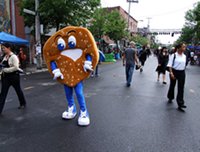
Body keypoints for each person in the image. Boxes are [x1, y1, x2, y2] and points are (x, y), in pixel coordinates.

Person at [0, 43, 26, 114]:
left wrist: (5, 70)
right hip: (5, 78)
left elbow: (15, 67)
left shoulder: (13, 57)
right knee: (3, 94)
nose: (3, 49)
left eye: (4, 48)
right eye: (2, 48)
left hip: (14, 77)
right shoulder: (4, 56)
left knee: (18, 91)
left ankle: (22, 103)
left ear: (9, 48)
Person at [167, 43, 187, 112]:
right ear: (179, 48)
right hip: (174, 72)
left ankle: (180, 104)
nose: (185, 48)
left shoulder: (184, 56)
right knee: (172, 85)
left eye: (185, 47)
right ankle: (170, 97)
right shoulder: (174, 55)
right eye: (183, 47)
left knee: (181, 88)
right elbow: (169, 65)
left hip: (182, 72)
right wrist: (171, 73)